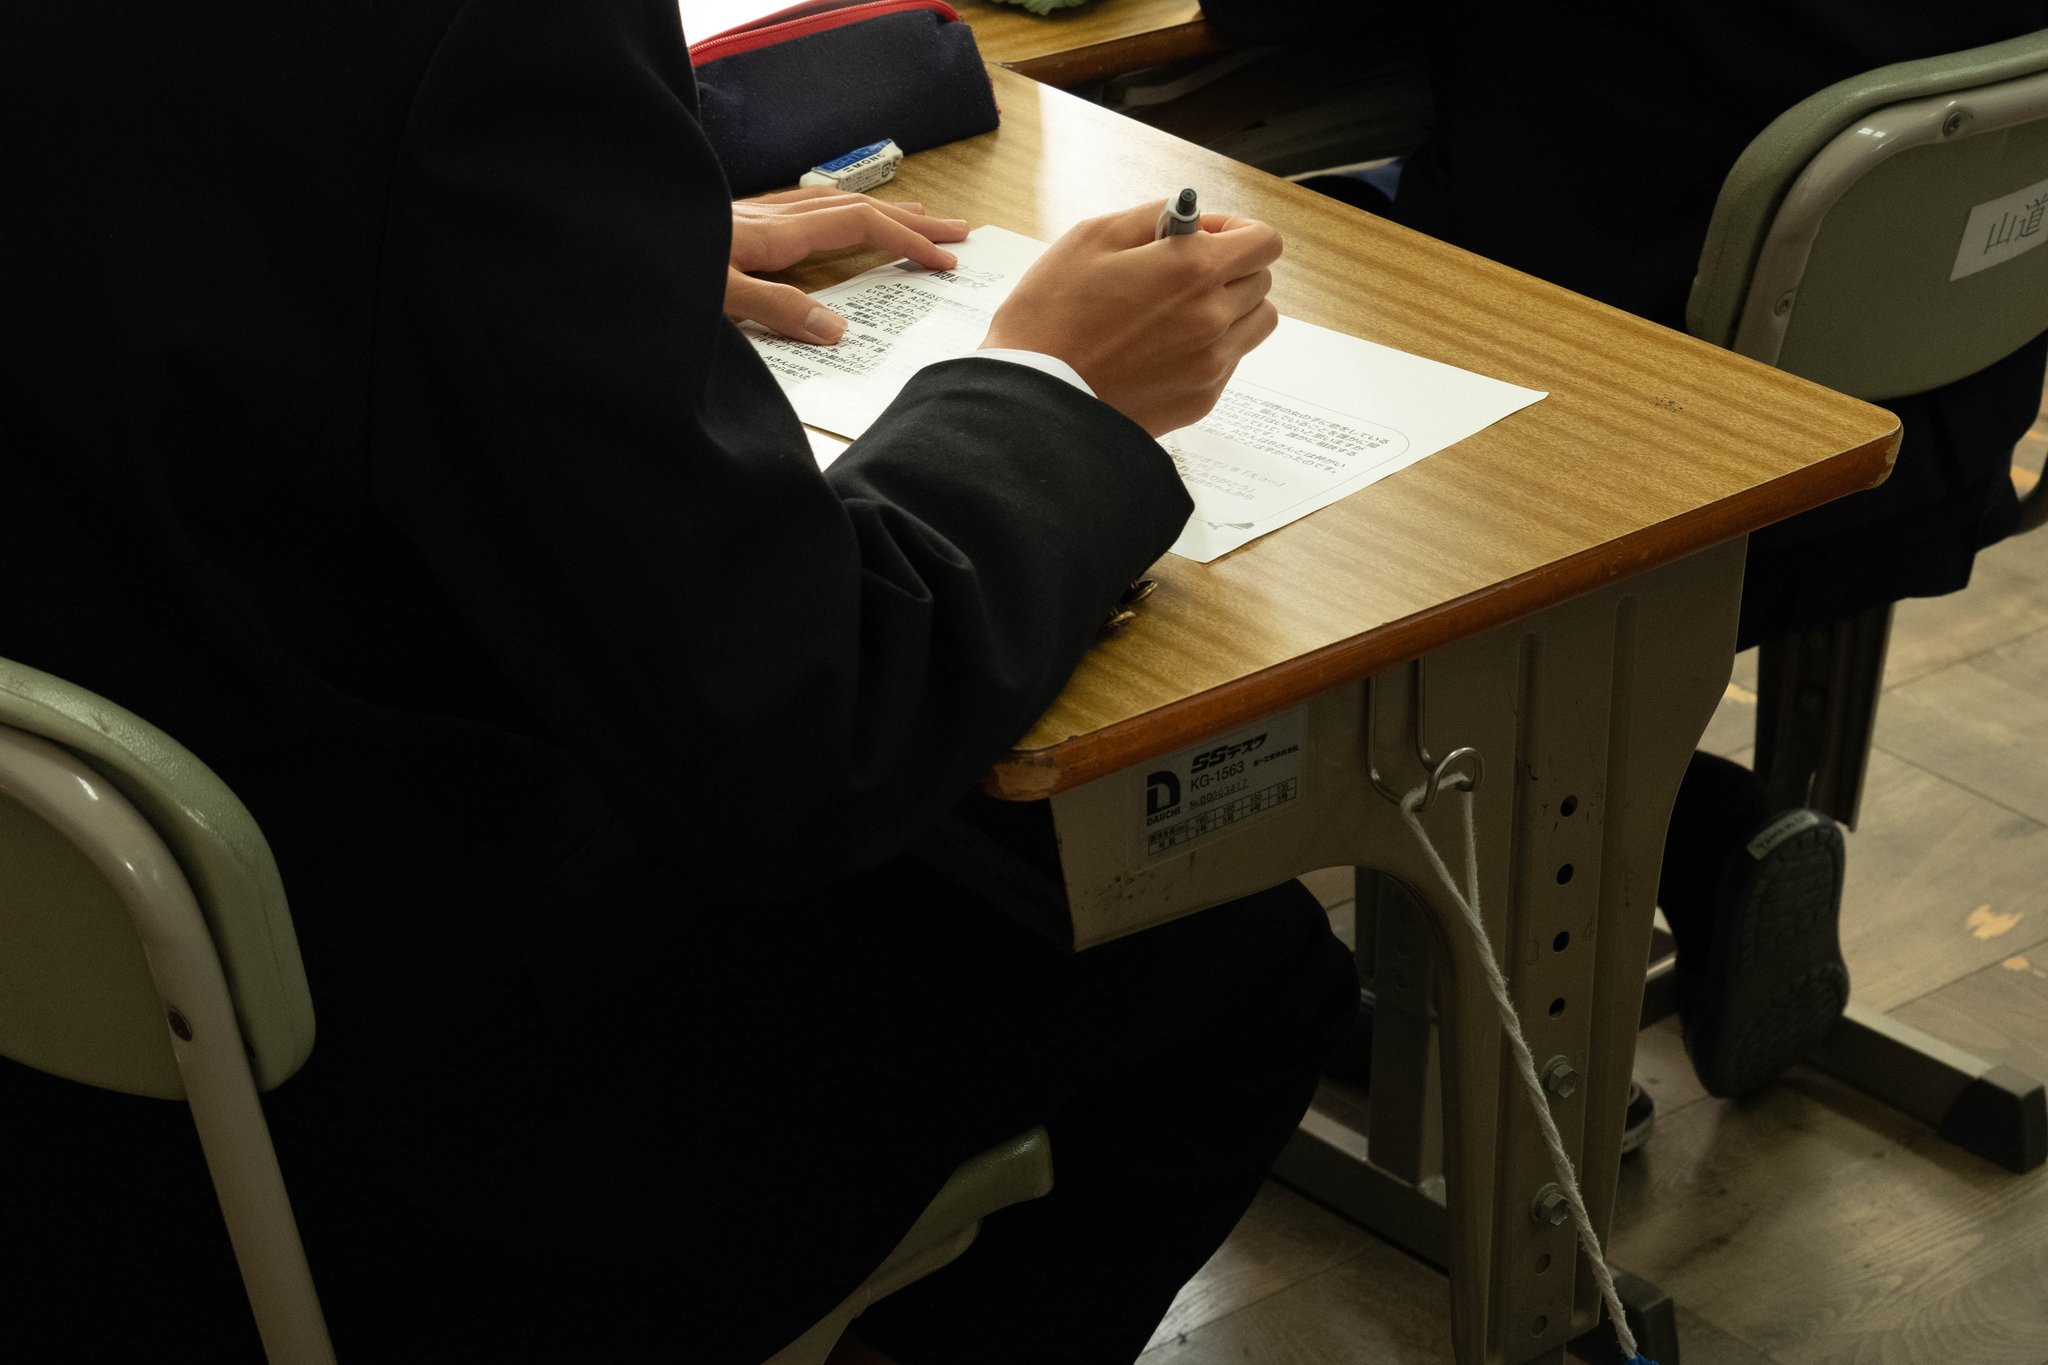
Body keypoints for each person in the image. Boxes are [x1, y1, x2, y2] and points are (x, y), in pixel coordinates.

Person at [0, 0, 1356, 1360]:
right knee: (1229, 961)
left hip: (78, 1070)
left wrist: (584, 260)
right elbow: (805, 730)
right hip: (409, 1133)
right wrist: (1052, 387)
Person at [1199, 0, 2048, 1103]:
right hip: (1921, 434)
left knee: (1190, 283)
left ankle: (1250, 970)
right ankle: (1688, 825)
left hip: (1616, 468)